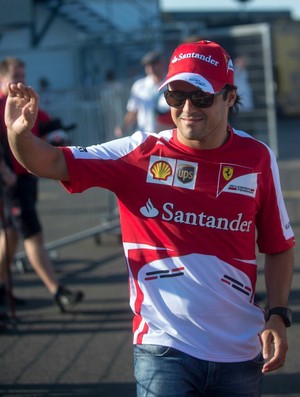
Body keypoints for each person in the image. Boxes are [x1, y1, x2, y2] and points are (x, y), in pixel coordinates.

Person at [4, 40, 295, 396]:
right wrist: (19, 135)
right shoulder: (138, 152)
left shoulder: (257, 158)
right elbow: (49, 161)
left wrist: (279, 314)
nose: (188, 108)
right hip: (163, 349)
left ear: (229, 98)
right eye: (176, 96)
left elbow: (278, 246)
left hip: (240, 352)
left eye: (201, 97)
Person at [0, 57, 83, 313]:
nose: (20, 80)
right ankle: (57, 291)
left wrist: (56, 131)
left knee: (11, 236)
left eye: (23, 74)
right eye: (15, 75)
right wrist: (4, 172)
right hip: (10, 182)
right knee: (32, 235)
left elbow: (44, 125)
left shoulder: (24, 98)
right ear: (2, 78)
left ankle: (2, 290)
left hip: (27, 177)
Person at [114, 49, 175, 137]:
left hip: (167, 135)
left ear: (161, 63)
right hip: (145, 135)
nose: (150, 68)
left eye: (154, 64)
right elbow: (133, 111)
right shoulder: (139, 86)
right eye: (147, 65)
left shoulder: (172, 83)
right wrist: (123, 127)